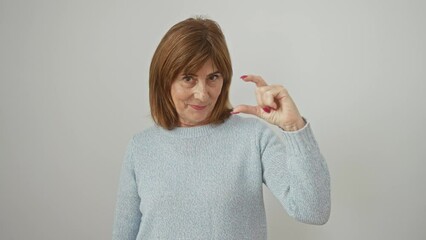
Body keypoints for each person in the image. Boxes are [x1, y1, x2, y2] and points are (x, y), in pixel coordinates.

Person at [112, 17, 330, 240]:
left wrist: (295, 128)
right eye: (188, 78)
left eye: (213, 77)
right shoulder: (141, 147)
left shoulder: (253, 138)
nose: (203, 94)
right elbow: (123, 234)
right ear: (164, 80)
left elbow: (313, 210)